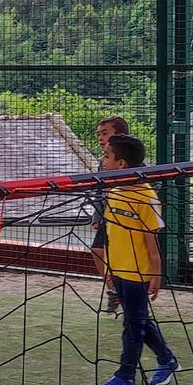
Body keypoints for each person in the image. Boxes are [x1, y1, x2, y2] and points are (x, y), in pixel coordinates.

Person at [94, 133, 178, 385]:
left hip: (138, 271)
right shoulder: (114, 190)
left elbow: (152, 243)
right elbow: (109, 235)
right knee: (138, 319)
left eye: (107, 155)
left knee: (133, 323)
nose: (102, 159)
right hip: (117, 269)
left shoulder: (146, 196)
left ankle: (126, 376)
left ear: (120, 163)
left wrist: (156, 273)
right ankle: (167, 360)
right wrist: (107, 268)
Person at [87, 115, 131, 285]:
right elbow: (99, 191)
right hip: (109, 214)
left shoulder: (132, 159)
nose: (100, 138)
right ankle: (112, 287)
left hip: (128, 215)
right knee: (98, 250)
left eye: (104, 133)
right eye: (99, 134)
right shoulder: (102, 163)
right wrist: (97, 216)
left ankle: (124, 284)